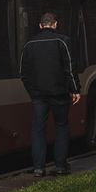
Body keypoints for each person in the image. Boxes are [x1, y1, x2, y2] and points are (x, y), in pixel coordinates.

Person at [19, 11, 81, 176]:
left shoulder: (29, 44)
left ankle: (39, 168)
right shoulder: (63, 41)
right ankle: (60, 166)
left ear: (40, 25)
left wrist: (32, 91)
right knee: (61, 126)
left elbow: (23, 73)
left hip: (38, 95)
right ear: (55, 24)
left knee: (38, 128)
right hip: (59, 93)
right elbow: (70, 68)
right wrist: (75, 89)